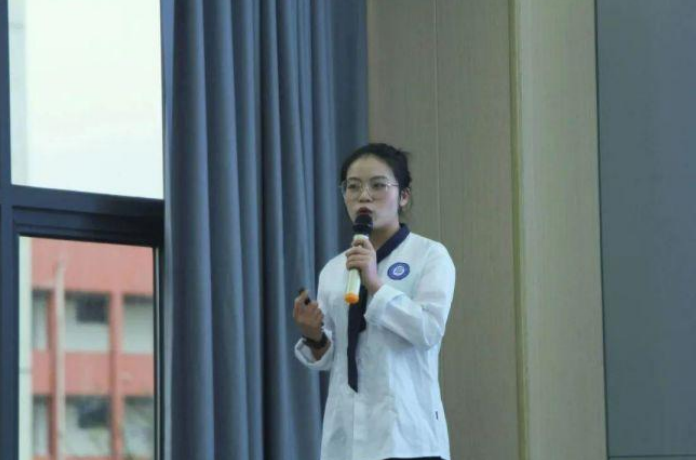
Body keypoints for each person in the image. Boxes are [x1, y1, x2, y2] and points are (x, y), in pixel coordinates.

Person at [293, 143, 456, 460]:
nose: (364, 196)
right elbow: (335, 357)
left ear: (403, 196)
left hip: (408, 435)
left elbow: (428, 330)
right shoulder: (334, 269)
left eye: (378, 185)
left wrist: (375, 284)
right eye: (353, 187)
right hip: (347, 437)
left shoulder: (429, 256)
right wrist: (313, 336)